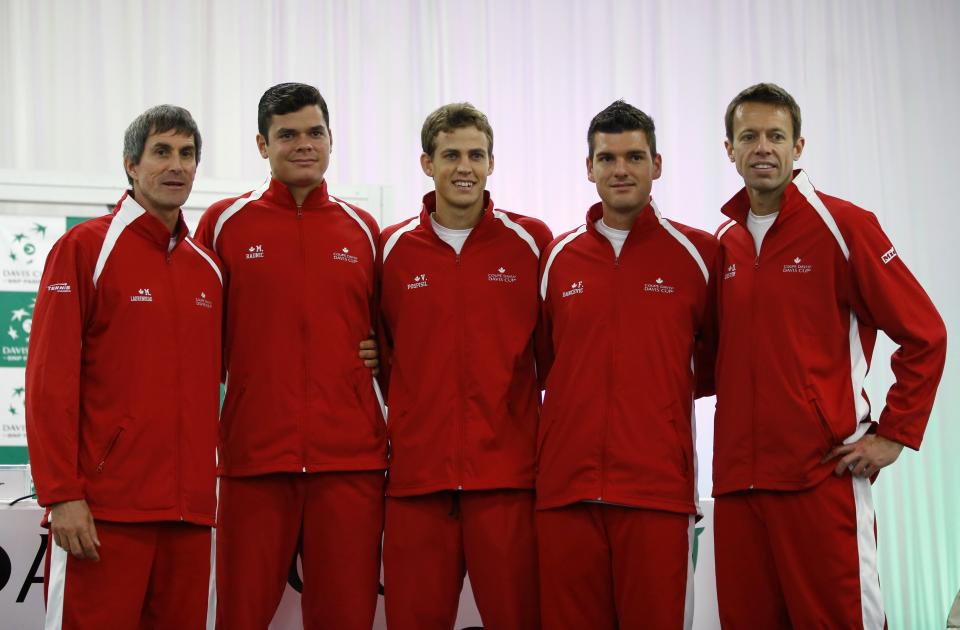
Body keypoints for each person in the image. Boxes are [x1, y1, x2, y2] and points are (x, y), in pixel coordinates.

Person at [712, 82, 947, 628]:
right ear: (730, 149)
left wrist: (893, 432)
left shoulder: (845, 227)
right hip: (739, 486)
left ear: (799, 147)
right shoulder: (725, 240)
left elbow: (925, 334)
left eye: (776, 136)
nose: (762, 148)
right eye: (749, 136)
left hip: (822, 479)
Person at [194, 82, 386, 630]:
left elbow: (392, 333)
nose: (304, 145)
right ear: (262, 144)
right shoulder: (224, 225)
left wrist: (375, 354)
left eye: (314, 133)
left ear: (331, 140)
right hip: (255, 460)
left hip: (350, 463)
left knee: (346, 617)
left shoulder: (364, 231)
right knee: (241, 615)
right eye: (287, 135)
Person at [25, 105, 222, 629]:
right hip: (104, 514)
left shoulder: (207, 269)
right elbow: (49, 380)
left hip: (190, 516)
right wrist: (62, 495)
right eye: (162, 152)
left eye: (187, 154)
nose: (176, 165)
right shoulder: (85, 247)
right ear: (131, 165)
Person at [535, 100, 718, 629]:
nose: (620, 170)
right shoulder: (556, 257)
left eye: (634, 157)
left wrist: (654, 401)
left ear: (656, 165)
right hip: (566, 491)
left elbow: (715, 359)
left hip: (656, 491)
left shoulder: (699, 254)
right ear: (588, 168)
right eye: (607, 158)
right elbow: (547, 360)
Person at [376, 102, 552, 629]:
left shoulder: (532, 243)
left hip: (507, 482)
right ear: (426, 163)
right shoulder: (391, 249)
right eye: (450, 154)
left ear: (492, 164)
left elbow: (552, 351)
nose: (464, 167)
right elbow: (384, 354)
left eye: (476, 155)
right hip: (417, 484)